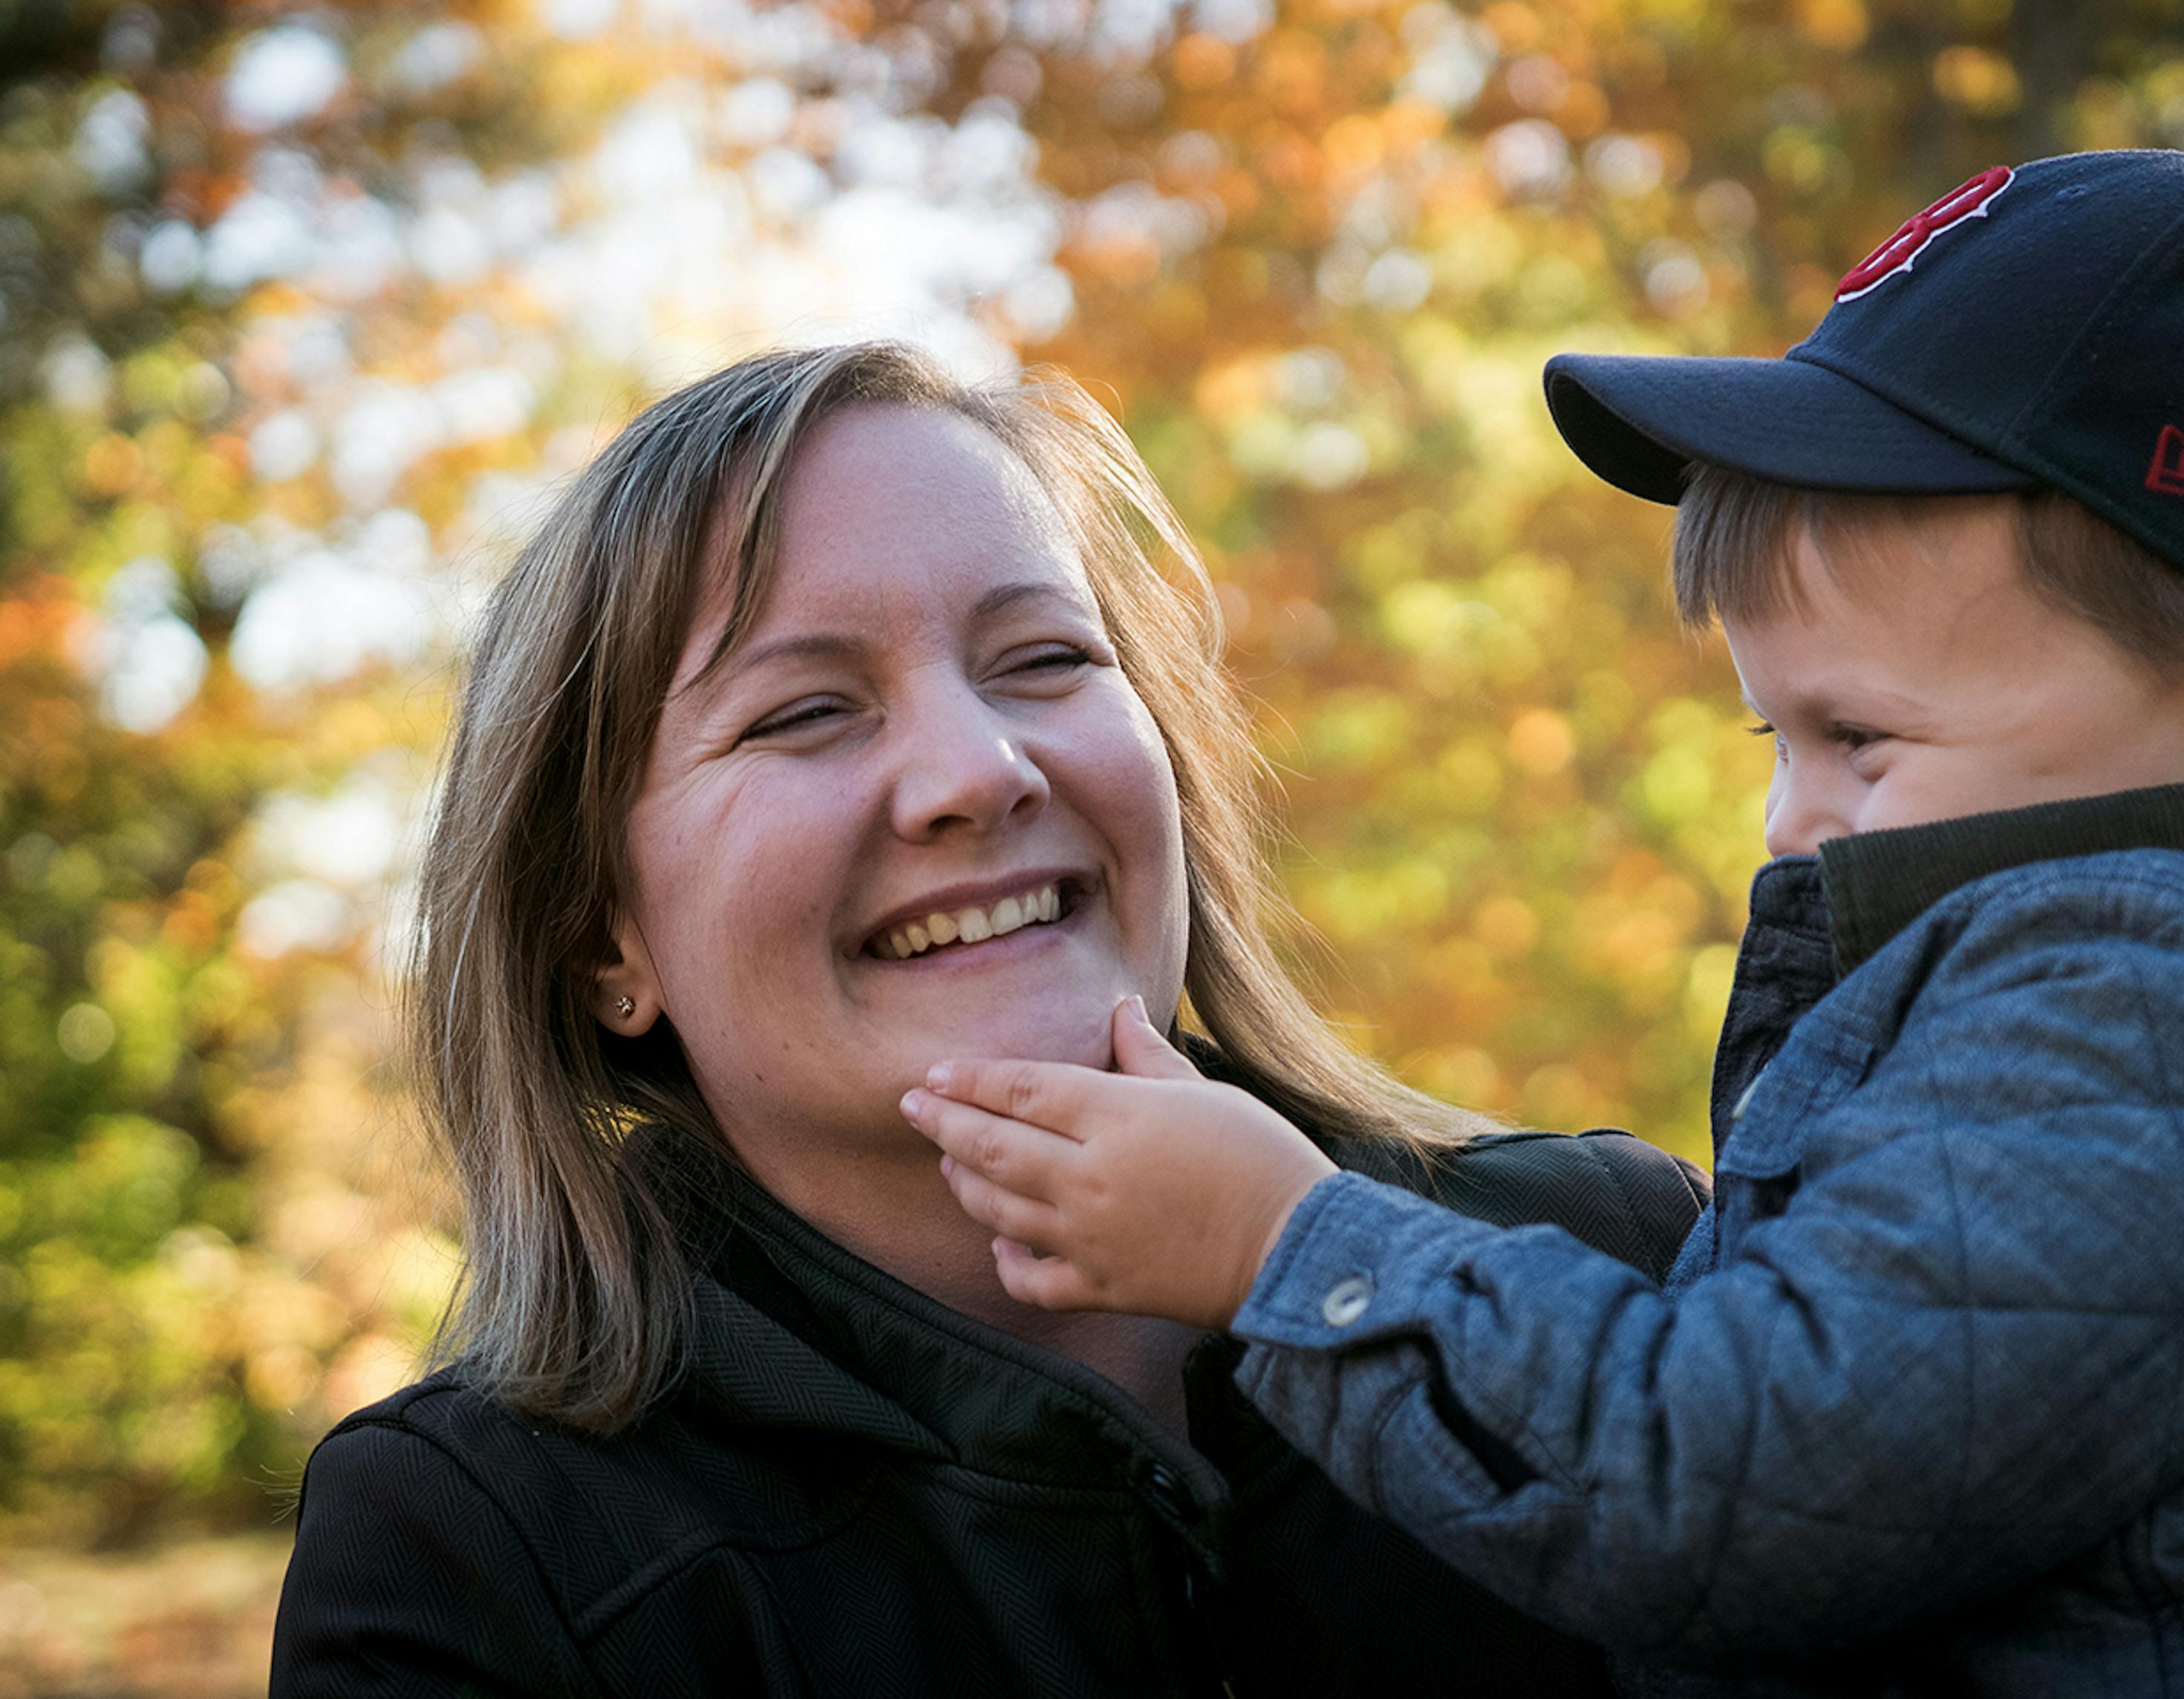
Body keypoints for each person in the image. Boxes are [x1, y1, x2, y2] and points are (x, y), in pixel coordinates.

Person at [901, 151, 2184, 1696]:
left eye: (1861, 739)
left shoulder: (2174, 1014)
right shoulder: (2081, 995)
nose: (1790, 817)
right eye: (1780, 738)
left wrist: (1286, 1244)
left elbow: (1738, 1480)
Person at [267, 342, 1708, 1698]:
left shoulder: (1628, 1263)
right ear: (600, 936)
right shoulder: (478, 1551)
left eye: (1042, 659)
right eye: (804, 711)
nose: (979, 768)